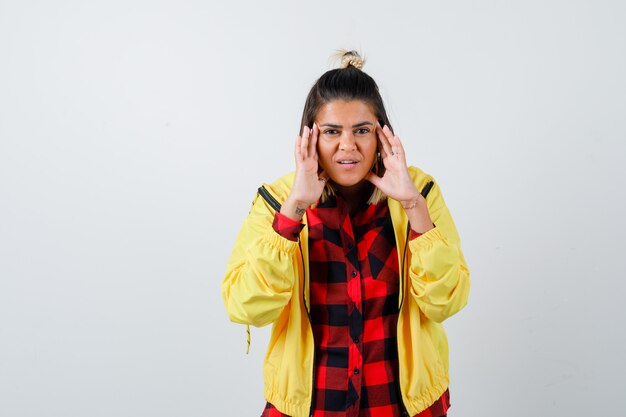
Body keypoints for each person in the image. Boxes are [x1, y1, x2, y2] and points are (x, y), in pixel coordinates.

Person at [221, 50, 470, 417]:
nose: (348, 146)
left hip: (401, 407)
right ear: (309, 138)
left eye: (362, 131)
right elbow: (246, 306)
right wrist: (293, 212)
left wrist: (413, 206)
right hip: (310, 407)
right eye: (332, 132)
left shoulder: (420, 193)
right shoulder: (276, 201)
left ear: (382, 136)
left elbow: (446, 301)